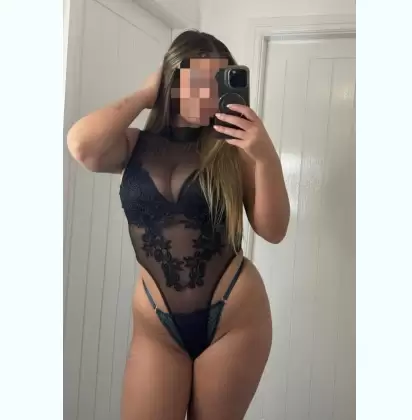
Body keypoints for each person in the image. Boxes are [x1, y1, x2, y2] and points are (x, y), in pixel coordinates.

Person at [67, 30, 290, 420]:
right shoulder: (133, 146)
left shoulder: (232, 149)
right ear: (172, 80)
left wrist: (264, 155)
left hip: (233, 319)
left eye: (218, 82)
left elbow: (273, 230)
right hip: (157, 324)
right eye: (198, 81)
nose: (209, 95)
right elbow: (82, 146)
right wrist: (144, 94)